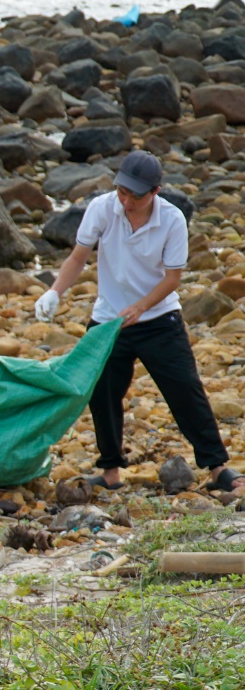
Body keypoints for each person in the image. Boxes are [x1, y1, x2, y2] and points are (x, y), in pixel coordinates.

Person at [35, 150, 245, 494]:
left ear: (155, 191)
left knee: (184, 388)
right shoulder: (103, 208)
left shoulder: (173, 219)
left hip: (159, 317)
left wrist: (140, 307)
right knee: (102, 393)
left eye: (135, 195)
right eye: (122, 191)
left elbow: (172, 277)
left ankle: (217, 466)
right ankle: (110, 471)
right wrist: (55, 292)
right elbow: (78, 257)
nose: (126, 201)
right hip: (109, 320)